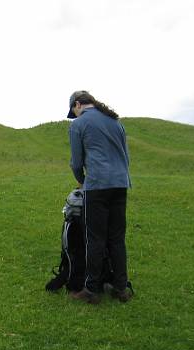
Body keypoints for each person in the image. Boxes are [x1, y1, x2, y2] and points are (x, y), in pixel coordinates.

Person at [66, 90, 132, 304]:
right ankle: (121, 288)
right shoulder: (115, 121)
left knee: (95, 238)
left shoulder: (78, 125)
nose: (74, 116)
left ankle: (91, 290)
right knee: (117, 237)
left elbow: (76, 162)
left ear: (78, 105)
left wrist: (81, 180)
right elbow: (126, 156)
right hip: (120, 183)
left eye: (73, 112)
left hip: (97, 186)